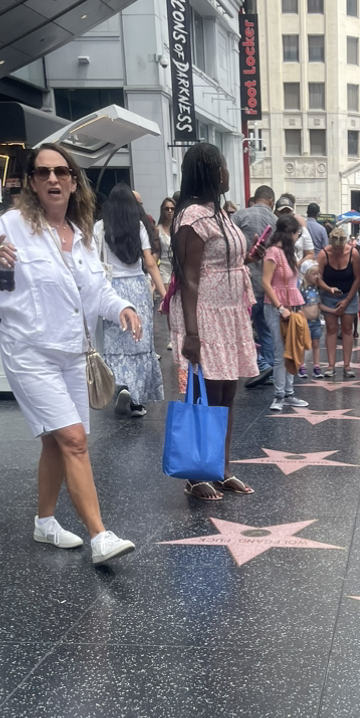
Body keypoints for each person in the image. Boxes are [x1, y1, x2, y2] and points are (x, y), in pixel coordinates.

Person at [0, 144, 138, 564]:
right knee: (73, 440)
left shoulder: (82, 235)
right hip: (29, 352)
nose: (53, 179)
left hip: (74, 353)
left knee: (56, 443)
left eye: (61, 171)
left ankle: (44, 522)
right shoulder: (13, 224)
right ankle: (99, 536)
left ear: (74, 182)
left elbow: (99, 290)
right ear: (32, 183)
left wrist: (123, 308)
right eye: (43, 173)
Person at [169, 141, 258, 499]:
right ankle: (195, 473)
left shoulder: (218, 213)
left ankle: (220, 467)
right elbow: (189, 278)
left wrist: (249, 258)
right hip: (203, 315)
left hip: (230, 314)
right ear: (209, 171)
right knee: (203, 395)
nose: (227, 171)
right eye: (222, 165)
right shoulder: (191, 217)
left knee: (226, 393)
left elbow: (224, 261)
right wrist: (191, 334)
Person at [94, 183, 165, 418]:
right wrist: (165, 294)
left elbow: (94, 262)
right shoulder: (138, 226)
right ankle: (136, 401)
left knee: (115, 343)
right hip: (137, 287)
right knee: (139, 342)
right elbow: (150, 263)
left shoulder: (100, 227)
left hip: (111, 291)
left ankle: (121, 385)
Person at [261, 214, 309, 412]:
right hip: (278, 307)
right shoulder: (273, 252)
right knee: (281, 353)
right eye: (298, 233)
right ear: (290, 233)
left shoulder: (288, 253)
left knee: (292, 350)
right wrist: (280, 308)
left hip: (292, 306)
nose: (298, 237)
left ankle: (288, 393)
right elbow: (266, 282)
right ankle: (280, 395)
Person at [231, 184, 276, 388]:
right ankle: (269, 368)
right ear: (271, 201)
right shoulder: (276, 221)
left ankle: (260, 363)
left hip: (243, 282)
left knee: (241, 327)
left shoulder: (240, 216)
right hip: (267, 285)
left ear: (254, 198)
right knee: (265, 328)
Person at [316, 225, 360, 379]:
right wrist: (328, 289)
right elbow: (317, 278)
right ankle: (331, 365)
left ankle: (347, 365)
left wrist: (347, 300)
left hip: (349, 293)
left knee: (347, 329)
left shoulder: (353, 253)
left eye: (340, 249)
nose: (338, 252)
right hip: (329, 295)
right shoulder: (323, 254)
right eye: (335, 249)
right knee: (331, 329)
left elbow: (357, 279)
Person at [156, 196, 175, 287]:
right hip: (164, 268)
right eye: (167, 209)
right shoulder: (157, 229)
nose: (170, 211)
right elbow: (156, 252)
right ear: (163, 210)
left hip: (178, 268)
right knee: (167, 295)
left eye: (172, 209)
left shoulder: (179, 227)